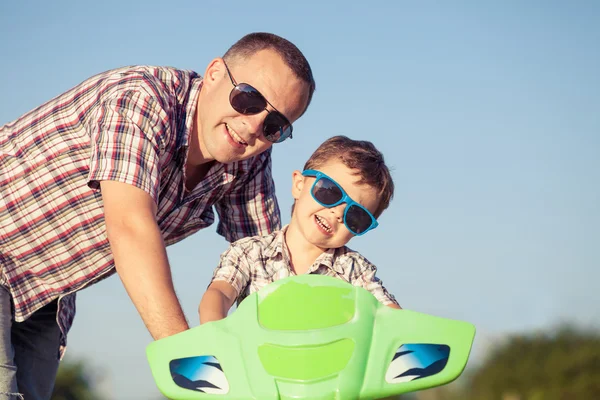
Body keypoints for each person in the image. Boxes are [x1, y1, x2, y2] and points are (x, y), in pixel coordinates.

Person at [0, 32, 315, 399]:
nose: (253, 127)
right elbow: (131, 226)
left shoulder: (249, 159)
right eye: (249, 98)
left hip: (46, 295)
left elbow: (269, 270)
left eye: (276, 125)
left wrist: (304, 369)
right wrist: (187, 357)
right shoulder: (141, 98)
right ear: (214, 73)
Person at [199, 135, 401, 324]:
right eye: (329, 192)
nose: (338, 213)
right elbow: (220, 294)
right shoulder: (249, 253)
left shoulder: (353, 270)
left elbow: (391, 315)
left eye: (356, 215)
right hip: (257, 359)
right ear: (298, 184)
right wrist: (214, 332)